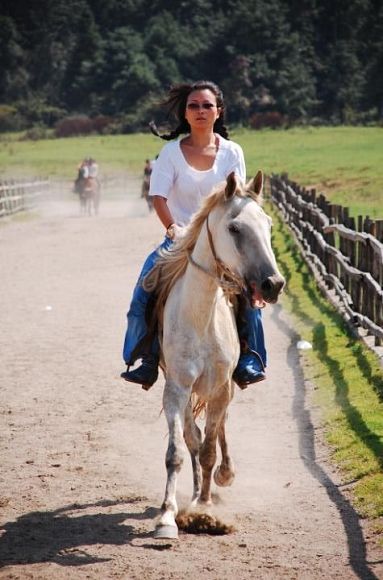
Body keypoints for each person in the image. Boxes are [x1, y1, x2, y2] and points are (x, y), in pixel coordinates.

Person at [121, 80, 267, 389]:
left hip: (221, 243)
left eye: (207, 105)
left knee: (250, 296)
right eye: (193, 106)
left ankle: (249, 358)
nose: (200, 111)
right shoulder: (170, 153)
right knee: (142, 295)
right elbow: (158, 197)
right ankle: (146, 357)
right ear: (185, 114)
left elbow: (236, 200)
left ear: (219, 112)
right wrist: (173, 228)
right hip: (179, 240)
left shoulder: (232, 152)